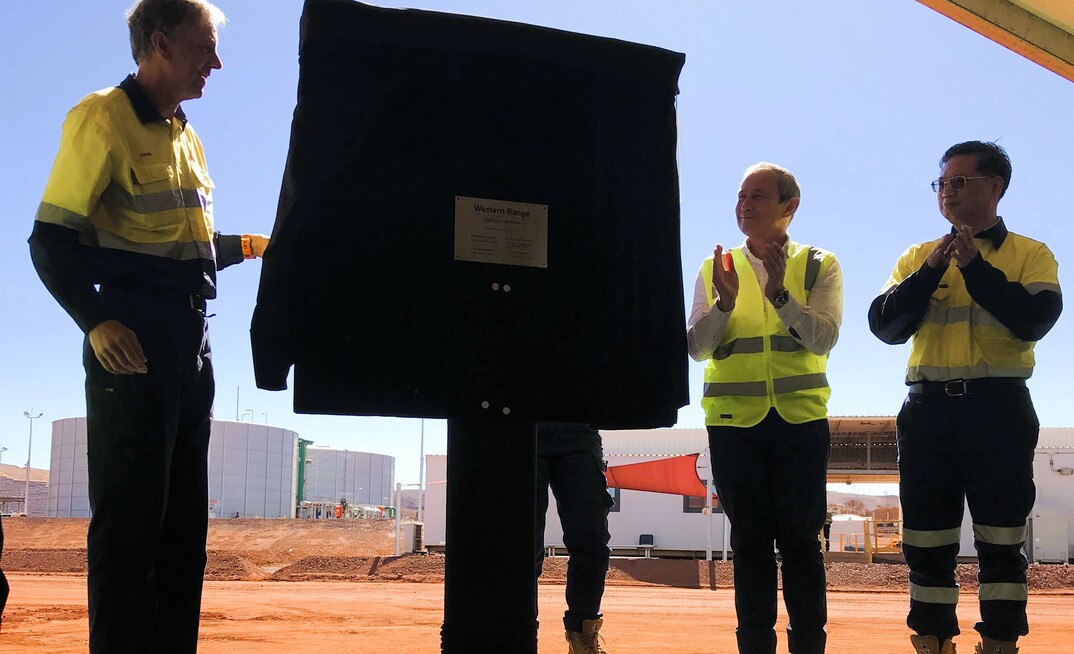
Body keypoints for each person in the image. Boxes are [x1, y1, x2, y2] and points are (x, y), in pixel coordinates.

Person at [27, 1, 268, 651]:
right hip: (132, 340)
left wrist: (254, 245)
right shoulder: (102, 117)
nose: (217, 63)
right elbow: (50, 240)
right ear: (160, 43)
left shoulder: (186, 135)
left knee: (185, 533)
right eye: (204, 47)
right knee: (130, 530)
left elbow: (183, 249)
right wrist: (96, 321)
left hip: (191, 343)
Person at [868, 141, 1061, 654]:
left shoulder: (1032, 254)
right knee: (926, 537)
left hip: (999, 411)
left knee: (1002, 537)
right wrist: (931, 272)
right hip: (927, 413)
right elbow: (885, 326)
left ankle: (1000, 641)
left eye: (960, 181)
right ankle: (932, 640)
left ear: (995, 186)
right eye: (942, 183)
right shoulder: (917, 258)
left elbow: (1033, 320)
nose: (947, 192)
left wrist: (975, 268)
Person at [687, 162, 843, 654]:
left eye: (757, 196)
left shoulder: (818, 264)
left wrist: (780, 295)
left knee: (801, 543)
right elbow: (696, 348)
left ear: (789, 206)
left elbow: (824, 338)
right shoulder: (716, 267)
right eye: (741, 196)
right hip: (734, 426)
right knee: (750, 543)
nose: (744, 205)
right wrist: (725, 305)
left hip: (800, 422)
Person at [535, 422, 614, 654]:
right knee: (521, 545)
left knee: (592, 540)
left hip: (578, 428)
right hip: (523, 424)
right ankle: (518, 637)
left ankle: (583, 640)